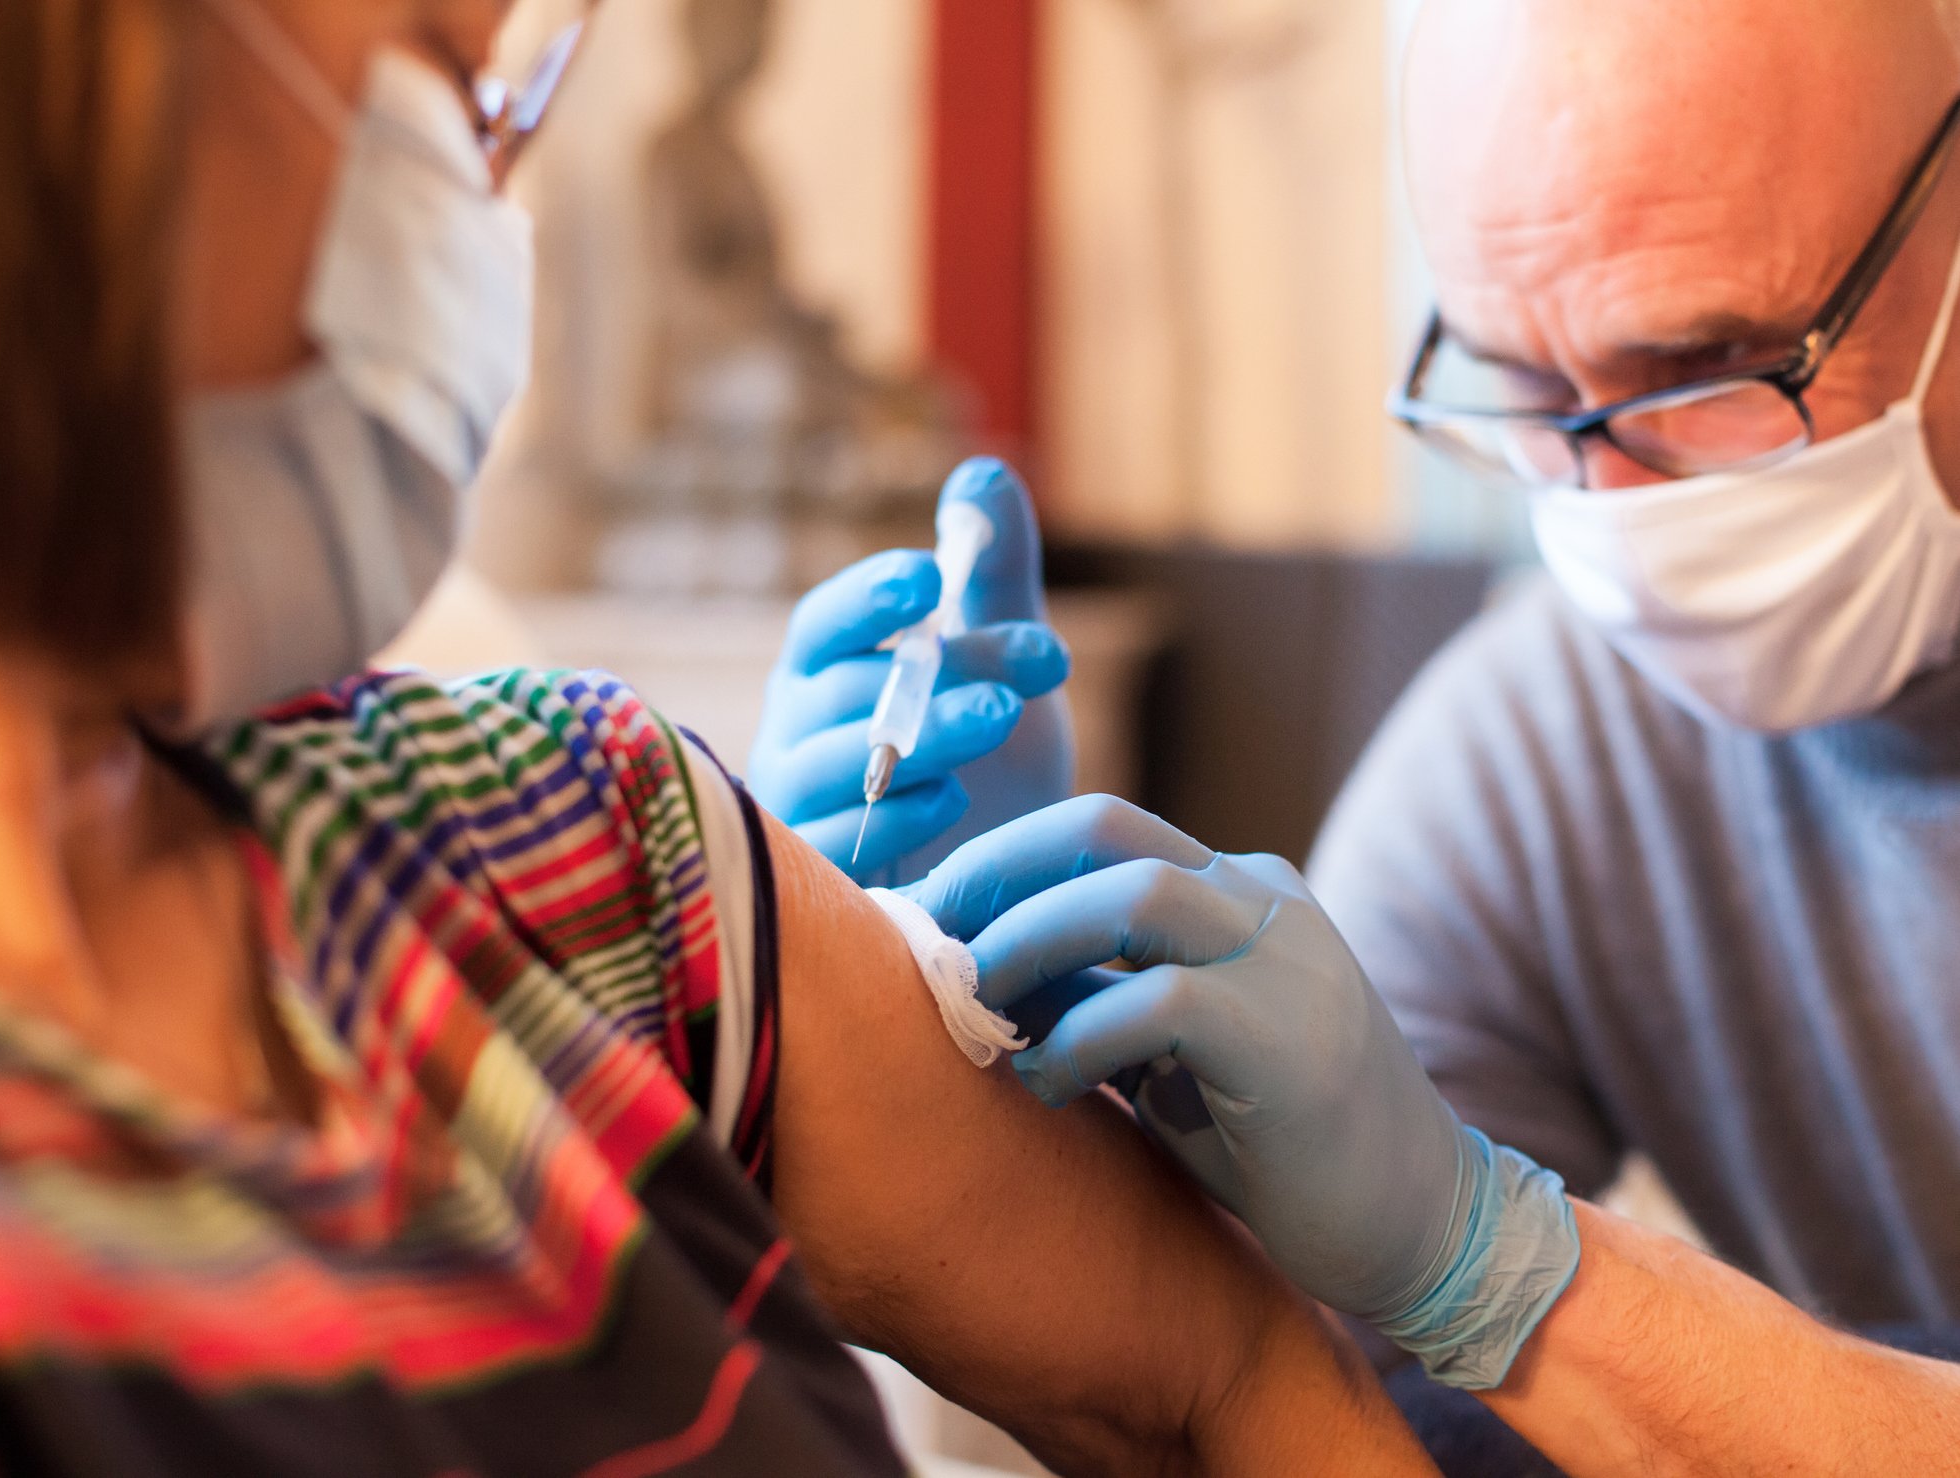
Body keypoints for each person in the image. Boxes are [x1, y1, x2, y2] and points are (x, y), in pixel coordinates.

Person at [0, 2, 1445, 1473]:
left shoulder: (574, 828)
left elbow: (1223, 1375)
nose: (485, 203)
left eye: (506, 113)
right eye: (445, 83)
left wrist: (1480, 1251)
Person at [754, 0, 1960, 1467]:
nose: (1616, 506)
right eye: (1523, 385)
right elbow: (1284, 1400)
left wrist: (1498, 1264)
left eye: (1713, 359)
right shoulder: (1541, 752)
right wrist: (949, 1048)